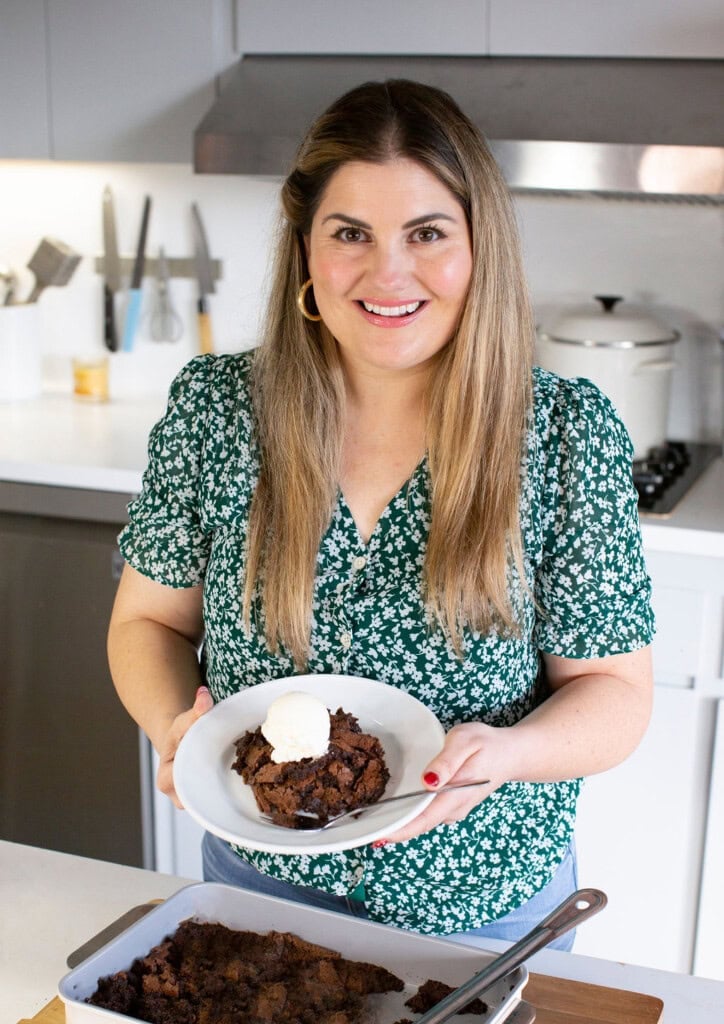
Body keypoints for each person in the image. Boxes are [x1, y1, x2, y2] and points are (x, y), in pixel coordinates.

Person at [108, 79, 654, 951]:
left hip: (481, 905)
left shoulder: (560, 433)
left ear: (479, 251)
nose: (387, 272)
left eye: (427, 233)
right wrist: (180, 726)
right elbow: (146, 622)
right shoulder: (217, 410)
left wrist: (505, 757)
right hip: (261, 883)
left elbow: (615, 693)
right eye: (351, 233)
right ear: (307, 252)